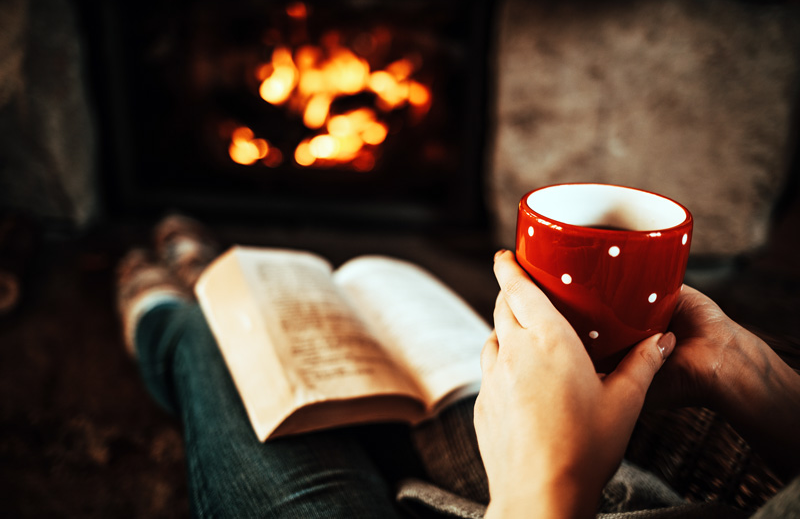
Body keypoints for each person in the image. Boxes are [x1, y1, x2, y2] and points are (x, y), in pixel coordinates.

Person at [115, 215, 800, 518]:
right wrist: (742, 366)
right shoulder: (731, 365)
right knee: (395, 339)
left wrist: (548, 483)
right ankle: (200, 286)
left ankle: (173, 311)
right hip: (633, 497)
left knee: (220, 349)